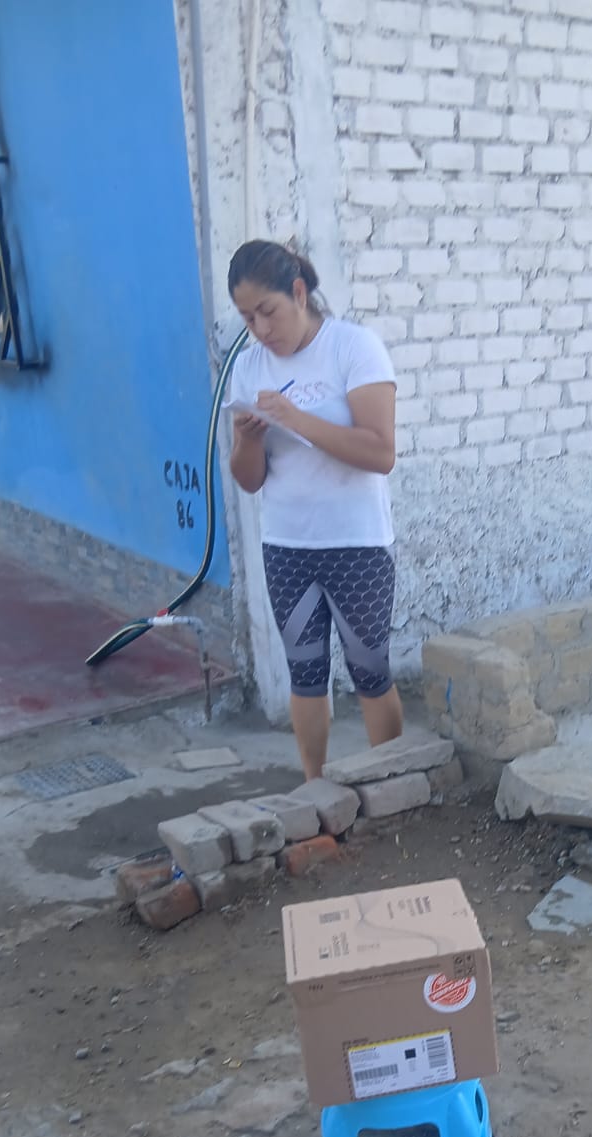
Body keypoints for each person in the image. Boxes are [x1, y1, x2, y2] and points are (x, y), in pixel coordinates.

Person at [227, 239, 403, 779]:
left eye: (268, 311)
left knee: (369, 669)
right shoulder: (248, 367)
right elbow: (248, 480)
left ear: (299, 293)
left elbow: (381, 452)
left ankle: (394, 784)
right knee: (304, 674)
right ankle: (314, 789)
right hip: (287, 545)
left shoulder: (354, 347)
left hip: (356, 544)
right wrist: (249, 439)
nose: (260, 329)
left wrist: (297, 418)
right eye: (247, 318)